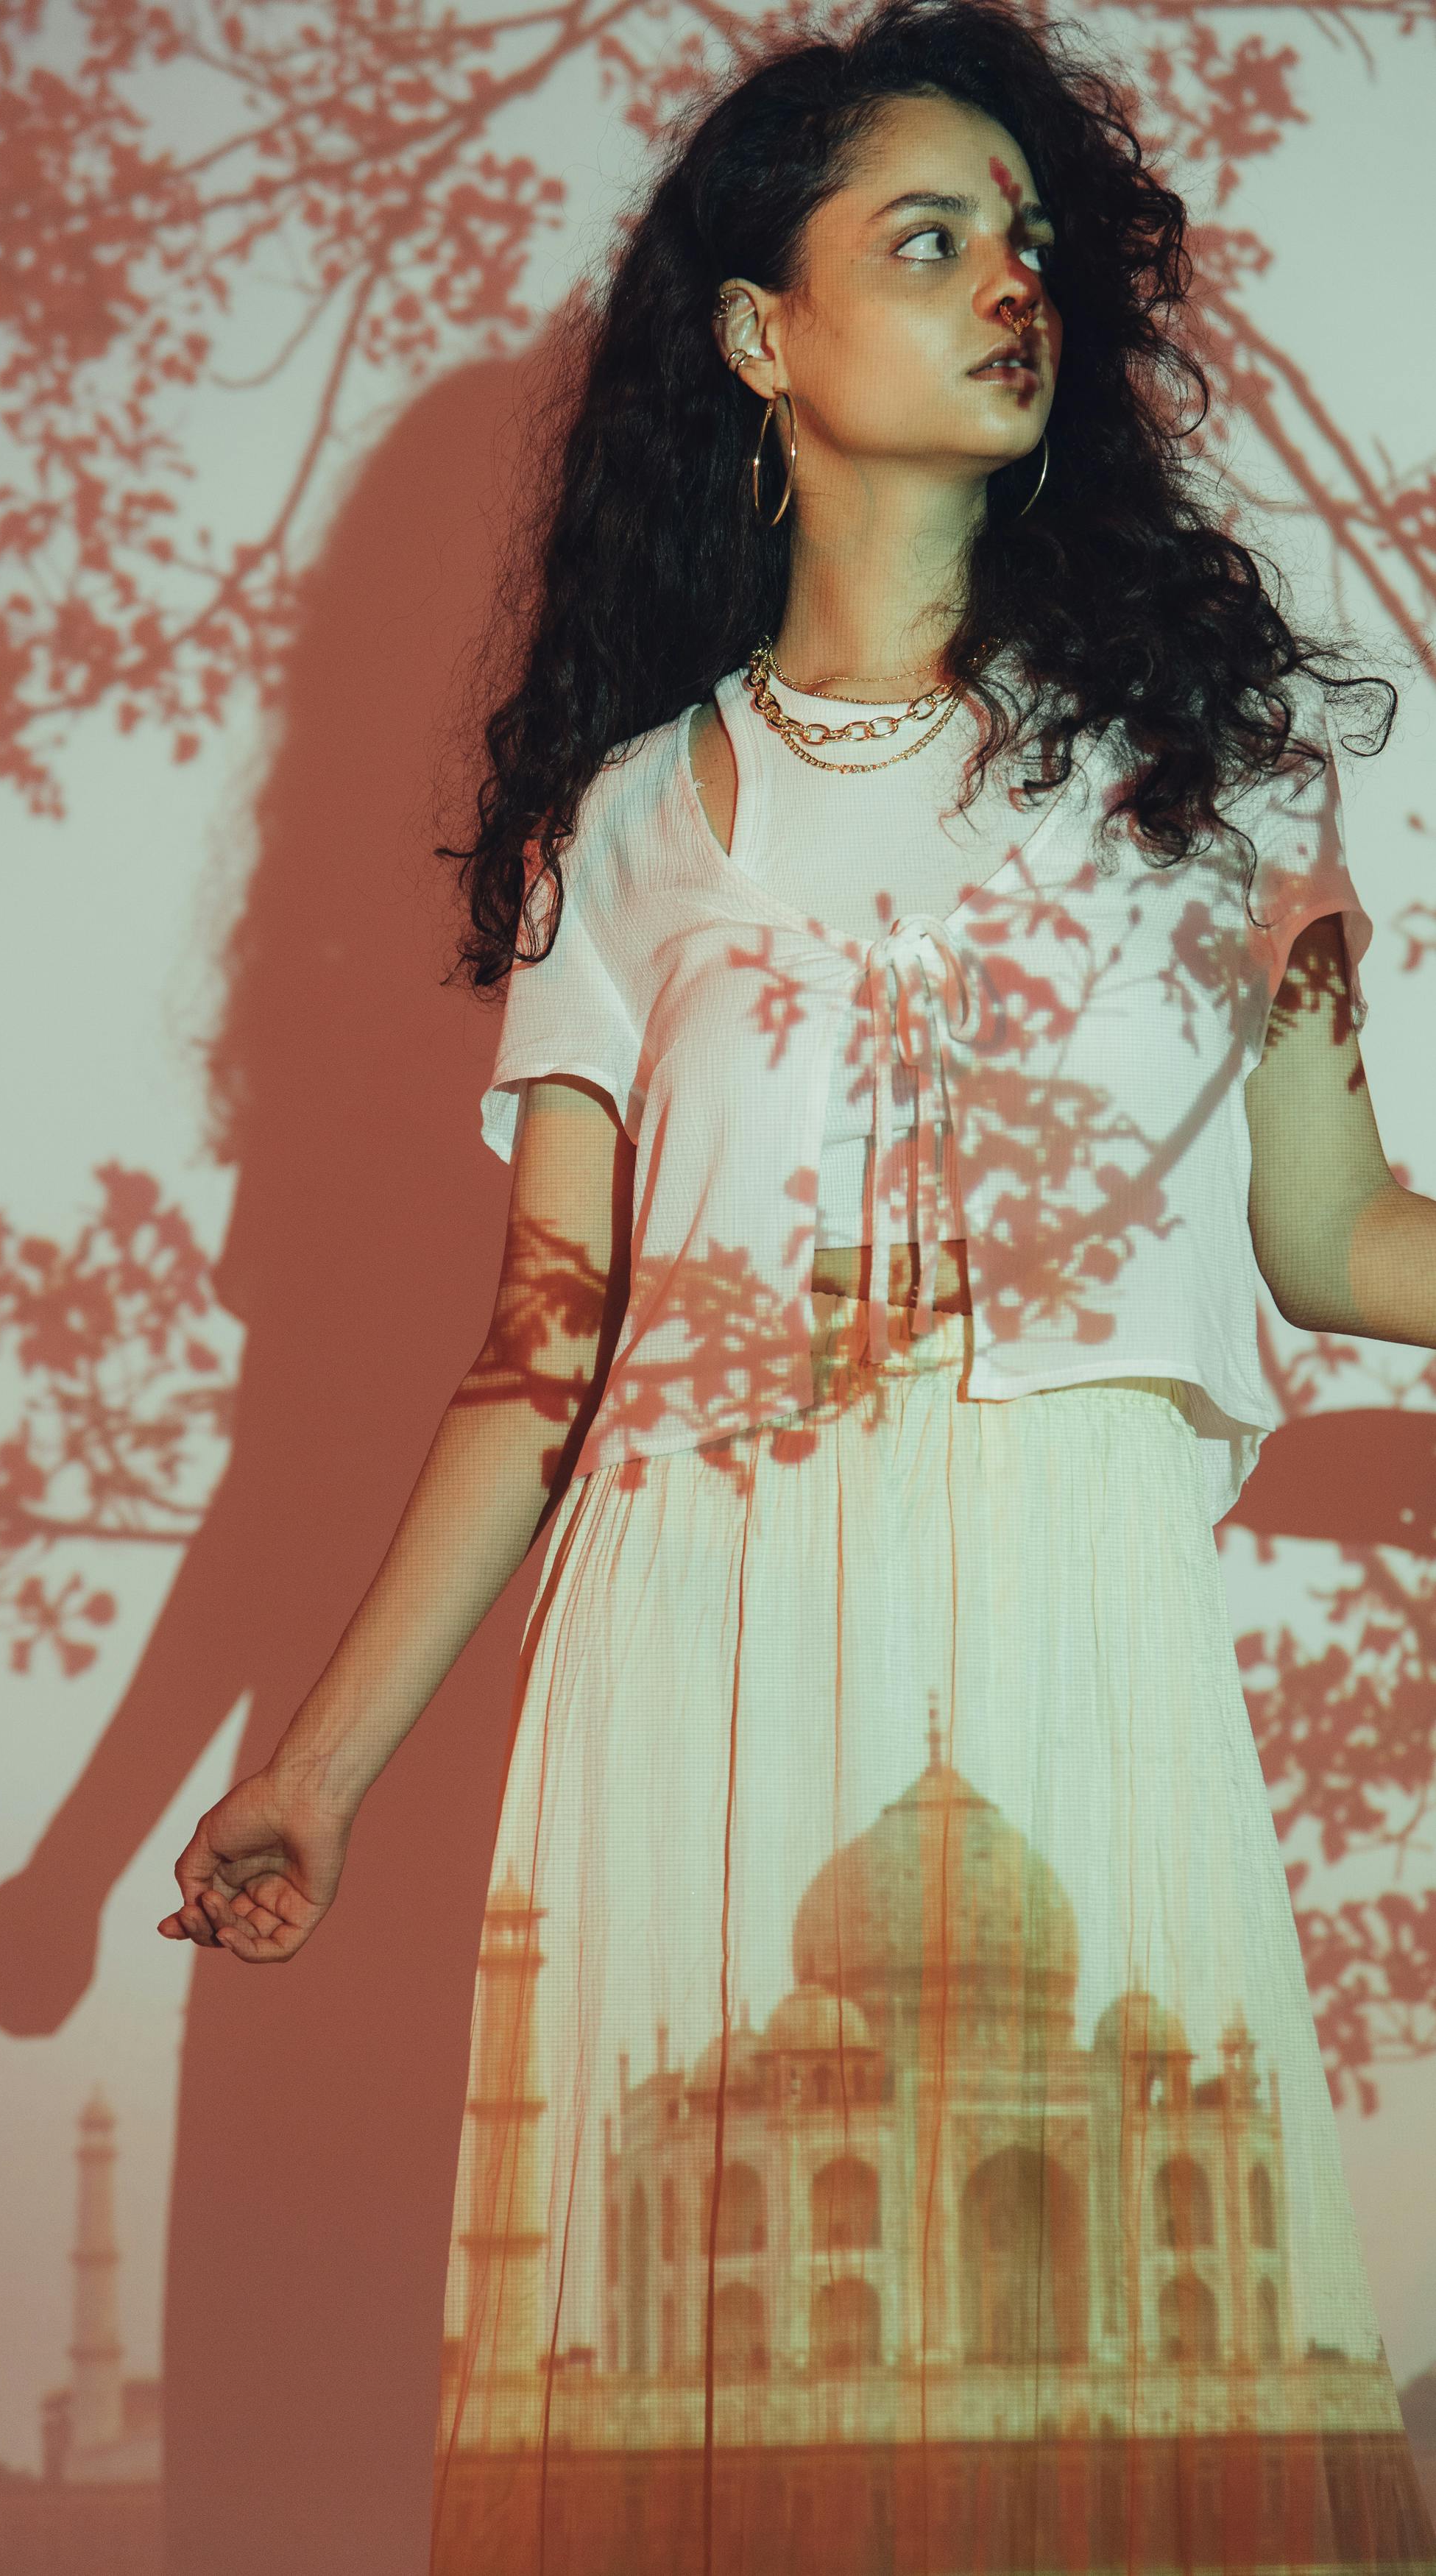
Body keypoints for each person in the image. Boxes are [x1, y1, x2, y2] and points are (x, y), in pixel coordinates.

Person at [160, 1, 1436, 2568]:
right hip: (704, 1638)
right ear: (762, 331)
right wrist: (310, 1766)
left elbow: (1332, 1235)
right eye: (931, 237)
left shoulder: (1210, 770)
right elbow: (543, 1355)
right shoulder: (625, 829)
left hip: (1067, 1612)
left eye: (1036, 248)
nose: (1011, 291)